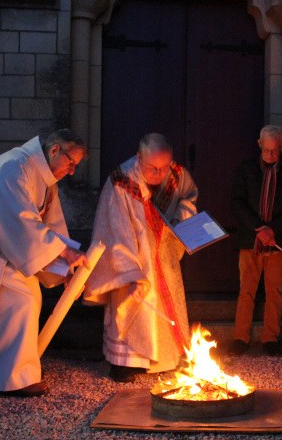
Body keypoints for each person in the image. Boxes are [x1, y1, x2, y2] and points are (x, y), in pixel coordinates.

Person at [0, 129, 88, 396]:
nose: (72, 172)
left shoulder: (47, 181)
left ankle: (6, 375)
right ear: (55, 150)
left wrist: (64, 268)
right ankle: (8, 378)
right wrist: (62, 252)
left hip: (5, 245)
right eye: (71, 163)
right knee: (22, 298)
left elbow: (51, 227)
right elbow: (21, 221)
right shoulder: (14, 165)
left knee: (26, 296)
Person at [83, 133, 198, 382]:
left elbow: (189, 196)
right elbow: (115, 230)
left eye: (164, 167)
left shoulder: (177, 175)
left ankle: (162, 360)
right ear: (139, 157)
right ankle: (125, 363)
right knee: (133, 305)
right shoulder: (121, 182)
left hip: (163, 255)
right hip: (133, 256)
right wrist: (131, 272)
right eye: (152, 168)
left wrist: (181, 219)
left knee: (164, 307)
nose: (159, 173)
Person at [230, 125, 282, 356]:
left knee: (274, 292)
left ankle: (270, 339)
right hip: (250, 240)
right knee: (246, 290)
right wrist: (259, 228)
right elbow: (237, 202)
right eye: (266, 150)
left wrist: (272, 230)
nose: (271, 155)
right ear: (259, 144)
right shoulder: (246, 170)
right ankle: (240, 338)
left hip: (278, 242)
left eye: (275, 150)